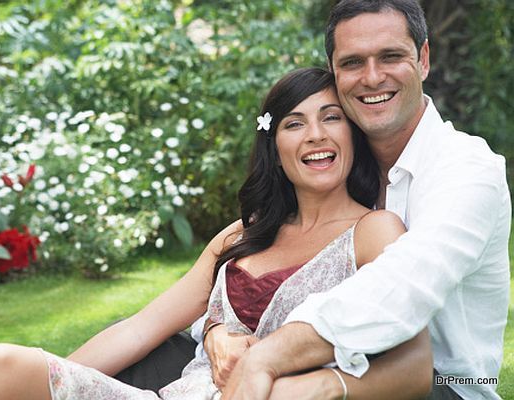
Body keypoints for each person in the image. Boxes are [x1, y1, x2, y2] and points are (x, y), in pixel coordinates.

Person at [0, 68, 433, 399]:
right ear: (274, 144)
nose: (317, 135)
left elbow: (414, 370)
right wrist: (61, 382)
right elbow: (140, 328)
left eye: (332, 118)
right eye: (295, 124)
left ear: (353, 134)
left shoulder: (374, 233)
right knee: (8, 365)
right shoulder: (241, 236)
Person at [212, 1, 511, 399]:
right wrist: (218, 330)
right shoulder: (335, 169)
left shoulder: (467, 168)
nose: (372, 77)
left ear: (423, 60)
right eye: (353, 62)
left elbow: (404, 286)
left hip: (440, 388)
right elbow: (274, 269)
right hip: (320, 362)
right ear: (335, 72)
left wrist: (269, 357)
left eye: (390, 56)